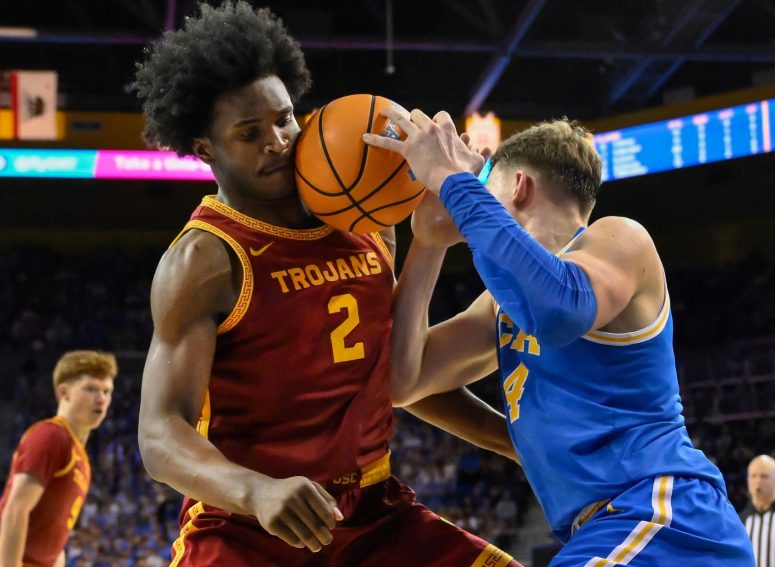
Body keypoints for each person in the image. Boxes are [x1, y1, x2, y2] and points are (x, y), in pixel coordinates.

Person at [133, 2, 521, 565]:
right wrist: (256, 490)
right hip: (246, 525)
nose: (278, 141)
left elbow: (396, 373)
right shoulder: (206, 258)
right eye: (250, 133)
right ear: (204, 149)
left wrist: (516, 442)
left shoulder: (367, 220)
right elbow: (160, 434)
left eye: (284, 118)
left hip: (373, 511)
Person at [365, 110, 756, 565]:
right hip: (609, 531)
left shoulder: (618, 239)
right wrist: (428, 244)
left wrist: (454, 182)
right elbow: (403, 380)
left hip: (664, 516)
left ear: (519, 187)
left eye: (485, 190)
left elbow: (557, 310)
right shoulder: (503, 303)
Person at [0, 350, 116, 567]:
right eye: (91, 389)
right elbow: (16, 509)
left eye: (107, 391)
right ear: (64, 392)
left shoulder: (81, 458)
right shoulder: (52, 435)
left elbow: (55, 541)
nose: (101, 398)